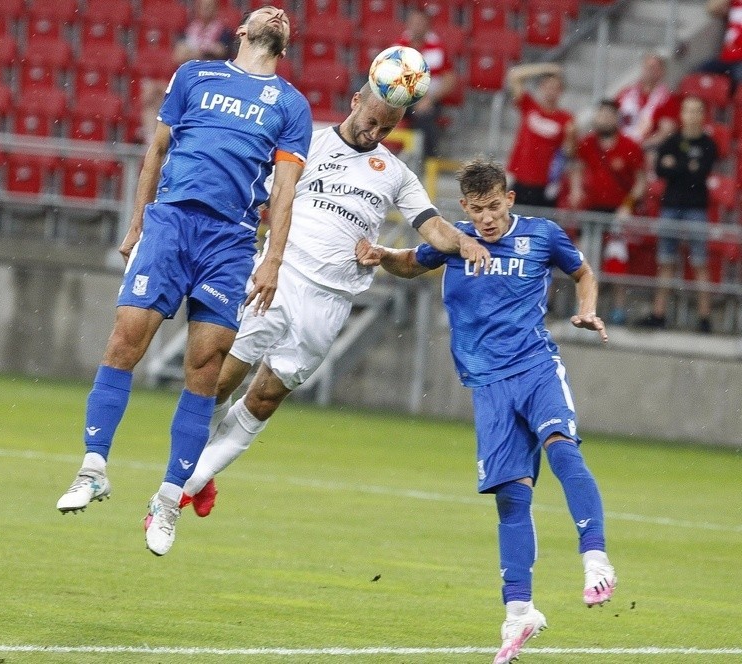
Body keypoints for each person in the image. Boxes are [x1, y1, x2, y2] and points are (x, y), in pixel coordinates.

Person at [55, 6, 313, 557]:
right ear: (240, 31)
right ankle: (93, 466)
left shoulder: (292, 105)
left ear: (284, 42)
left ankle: (169, 498)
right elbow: (158, 150)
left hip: (231, 241)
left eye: (282, 13)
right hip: (171, 223)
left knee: (204, 368)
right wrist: (136, 222)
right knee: (125, 338)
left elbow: (286, 190)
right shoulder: (195, 74)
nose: (276, 11)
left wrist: (274, 260)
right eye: (262, 9)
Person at [178, 83, 491, 515]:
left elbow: (433, 228)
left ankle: (185, 486)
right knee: (217, 382)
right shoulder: (308, 142)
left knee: (266, 398)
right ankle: (186, 479)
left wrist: (465, 241)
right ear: (355, 102)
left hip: (331, 298)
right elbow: (261, 194)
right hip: (280, 275)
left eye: (388, 127)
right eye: (372, 121)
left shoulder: (396, 174)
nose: (375, 133)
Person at [357, 157, 615, 664]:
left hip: (536, 368)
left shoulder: (542, 235)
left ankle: (596, 559)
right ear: (464, 208)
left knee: (562, 450)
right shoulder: (455, 243)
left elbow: (582, 271)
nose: (487, 219)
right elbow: (411, 261)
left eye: (494, 207)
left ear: (510, 199)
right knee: (510, 499)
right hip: (489, 388)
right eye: (476, 210)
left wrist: (585, 308)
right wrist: (381, 253)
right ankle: (519, 615)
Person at [637, 95, 718, 333]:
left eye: (696, 111)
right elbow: (662, 169)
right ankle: (659, 313)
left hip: (696, 209)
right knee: (665, 261)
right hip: (671, 206)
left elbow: (700, 172)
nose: (691, 116)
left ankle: (705, 317)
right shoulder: (671, 141)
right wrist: (686, 166)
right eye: (687, 111)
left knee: (701, 262)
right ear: (681, 115)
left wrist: (677, 166)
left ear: (702, 116)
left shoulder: (708, 144)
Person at [568, 99, 647, 325]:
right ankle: (583, 306)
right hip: (591, 209)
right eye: (600, 115)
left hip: (617, 211)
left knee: (616, 259)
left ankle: (618, 308)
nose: (603, 119)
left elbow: (641, 182)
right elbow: (577, 168)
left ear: (616, 118)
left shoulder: (629, 146)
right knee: (584, 261)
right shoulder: (587, 144)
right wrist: (575, 189)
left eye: (608, 115)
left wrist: (628, 205)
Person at [140, 0, 237, 143]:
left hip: (211, 83)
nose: (206, 10)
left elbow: (223, 53)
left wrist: (194, 52)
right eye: (203, 7)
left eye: (209, 7)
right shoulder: (189, 29)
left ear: (216, 10)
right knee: (150, 91)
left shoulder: (225, 33)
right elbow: (178, 56)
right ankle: (151, 141)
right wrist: (206, 52)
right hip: (186, 80)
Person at [506, 62, 576, 207]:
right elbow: (514, 75)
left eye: (555, 88)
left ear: (561, 91)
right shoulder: (529, 106)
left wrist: (571, 137)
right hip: (519, 178)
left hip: (545, 185)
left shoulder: (566, 119)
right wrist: (546, 68)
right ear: (541, 87)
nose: (551, 91)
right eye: (548, 86)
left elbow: (568, 153)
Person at [396, 7, 457, 163]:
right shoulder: (398, 46)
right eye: (413, 22)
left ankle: (429, 163)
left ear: (428, 26)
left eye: (420, 23)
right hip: (402, 98)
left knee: (424, 116)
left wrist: (429, 99)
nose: (416, 26)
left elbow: (450, 79)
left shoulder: (438, 48)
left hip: (429, 99)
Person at [615, 53, 678, 153]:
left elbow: (666, 133)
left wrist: (637, 146)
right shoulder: (626, 93)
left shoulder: (667, 99)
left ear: (662, 71)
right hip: (619, 146)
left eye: (653, 67)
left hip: (646, 148)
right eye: (646, 66)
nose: (648, 70)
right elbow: (611, 118)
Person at [696, 0, 742, 85]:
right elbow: (712, 9)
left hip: (739, 61)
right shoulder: (736, 3)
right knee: (695, 79)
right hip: (726, 58)